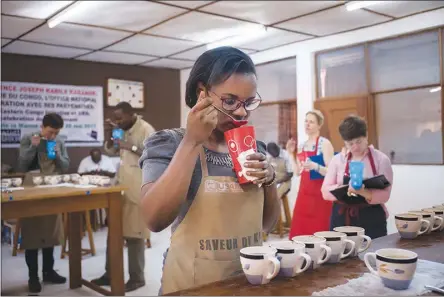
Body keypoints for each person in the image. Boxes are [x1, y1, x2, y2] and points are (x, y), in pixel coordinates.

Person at [139, 46, 280, 295]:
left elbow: (265, 225)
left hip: (249, 282)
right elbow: (154, 219)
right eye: (230, 101)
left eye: (248, 102)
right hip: (192, 285)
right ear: (201, 92)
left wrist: (270, 181)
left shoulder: (251, 147)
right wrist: (192, 142)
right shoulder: (168, 143)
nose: (241, 112)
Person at [91, 102, 155, 292]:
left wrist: (131, 146)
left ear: (131, 114)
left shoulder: (146, 129)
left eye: (120, 119)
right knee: (115, 234)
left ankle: (137, 278)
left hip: (138, 189)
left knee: (135, 235)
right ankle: (110, 273)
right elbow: (111, 150)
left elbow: (154, 155)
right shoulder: (120, 129)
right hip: (121, 188)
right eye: (115, 119)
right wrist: (109, 135)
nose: (117, 122)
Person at [17, 113, 69, 294]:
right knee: (32, 233)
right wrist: (34, 147)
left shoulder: (59, 142)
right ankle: (33, 276)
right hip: (31, 188)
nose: (53, 136)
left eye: (56, 133)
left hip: (52, 188)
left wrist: (56, 155)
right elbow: (21, 166)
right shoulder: (28, 139)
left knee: (50, 232)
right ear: (42, 126)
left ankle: (49, 271)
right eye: (50, 132)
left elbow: (65, 166)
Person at [321, 115, 393, 239]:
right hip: (341, 217)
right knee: (342, 254)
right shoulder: (338, 160)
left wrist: (364, 192)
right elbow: (325, 191)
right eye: (350, 143)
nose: (355, 147)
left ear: (366, 136)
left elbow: (385, 195)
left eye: (359, 141)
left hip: (371, 216)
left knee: (372, 252)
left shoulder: (381, 160)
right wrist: (345, 189)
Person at [286, 110, 334, 238]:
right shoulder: (301, 146)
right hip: (304, 194)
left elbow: (331, 172)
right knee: (301, 234)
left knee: (319, 233)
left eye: (311, 122)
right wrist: (291, 154)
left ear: (319, 125)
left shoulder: (325, 144)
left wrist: (316, 166)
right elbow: (297, 172)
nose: (307, 124)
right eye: (306, 121)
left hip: (320, 195)